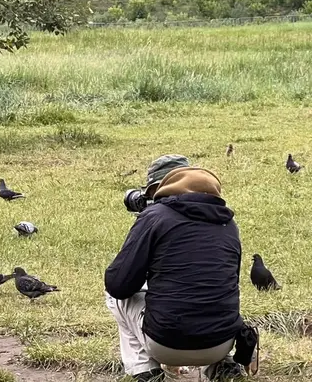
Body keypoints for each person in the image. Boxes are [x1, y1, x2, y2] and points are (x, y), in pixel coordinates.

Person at [104, 155, 255, 382]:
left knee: (114, 297)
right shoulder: (229, 224)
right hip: (221, 343)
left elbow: (118, 285)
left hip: (166, 344)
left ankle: (144, 371)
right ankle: (222, 367)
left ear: (161, 189)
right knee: (211, 289)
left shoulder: (154, 217)